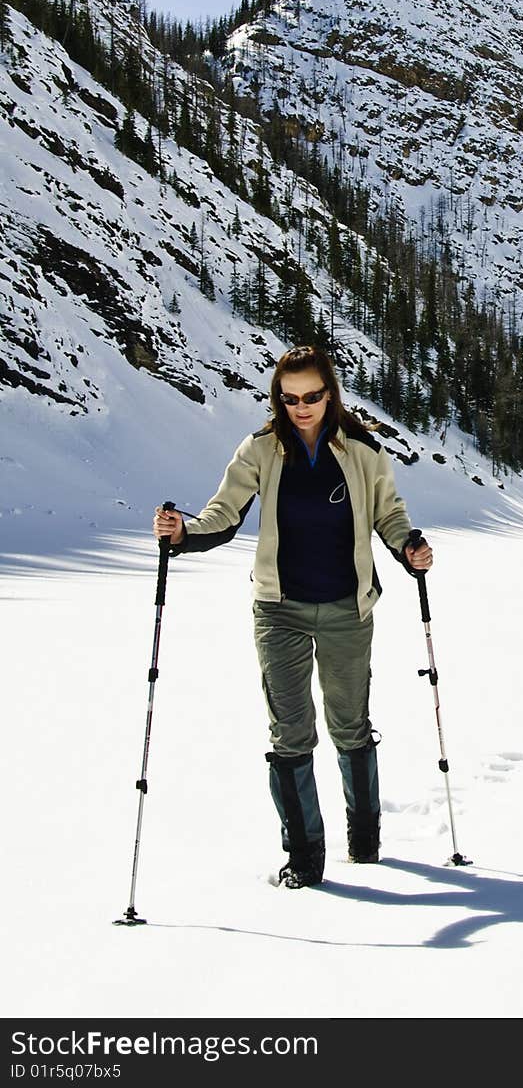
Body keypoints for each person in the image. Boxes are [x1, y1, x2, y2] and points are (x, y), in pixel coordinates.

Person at [152, 344, 433, 889]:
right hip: (279, 609)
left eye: (312, 397)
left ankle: (365, 835)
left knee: (350, 724)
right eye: (290, 398)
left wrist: (409, 548)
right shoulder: (260, 450)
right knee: (290, 732)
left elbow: (389, 515)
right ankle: (305, 856)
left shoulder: (363, 450)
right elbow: (224, 513)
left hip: (348, 609)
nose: (301, 407)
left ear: (331, 395)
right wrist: (184, 534)